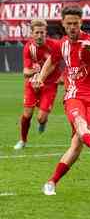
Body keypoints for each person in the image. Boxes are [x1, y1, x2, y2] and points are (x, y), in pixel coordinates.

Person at [37, 5, 90, 195]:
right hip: (74, 94)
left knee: (77, 144)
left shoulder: (89, 40)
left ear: (81, 23)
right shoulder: (62, 45)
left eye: (75, 24)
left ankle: (52, 181)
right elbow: (51, 61)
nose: (72, 27)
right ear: (63, 24)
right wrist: (40, 78)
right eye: (68, 24)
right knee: (79, 123)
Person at [14, 19, 61, 150]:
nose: (40, 35)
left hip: (50, 85)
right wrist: (34, 72)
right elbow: (26, 72)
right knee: (27, 114)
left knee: (40, 118)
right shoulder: (28, 48)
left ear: (46, 33)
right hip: (32, 84)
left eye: (42, 32)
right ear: (32, 34)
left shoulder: (54, 46)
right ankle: (22, 141)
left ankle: (43, 122)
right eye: (37, 32)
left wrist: (41, 76)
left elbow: (53, 65)